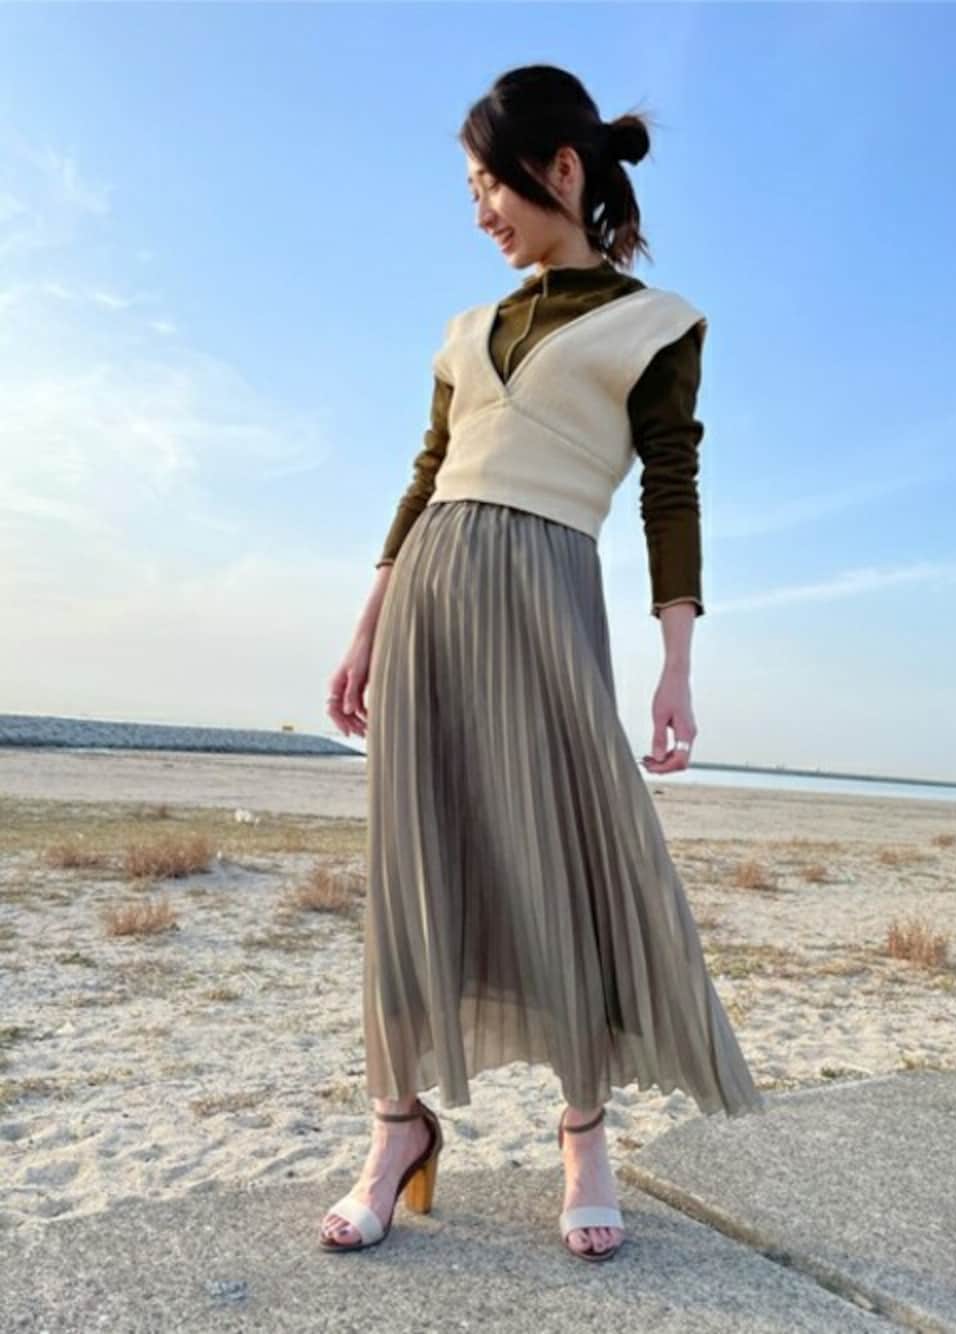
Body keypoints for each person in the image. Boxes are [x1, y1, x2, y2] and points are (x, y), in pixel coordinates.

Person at [321, 63, 766, 1263]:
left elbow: (670, 490)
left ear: (561, 169)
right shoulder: (466, 332)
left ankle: (582, 1132)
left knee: (559, 853)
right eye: (469, 189)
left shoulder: (656, 324)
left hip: (546, 597)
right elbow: (425, 479)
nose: (480, 211)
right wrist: (365, 628)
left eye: (491, 183)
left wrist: (675, 663)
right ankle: (395, 1129)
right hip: (429, 599)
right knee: (412, 860)